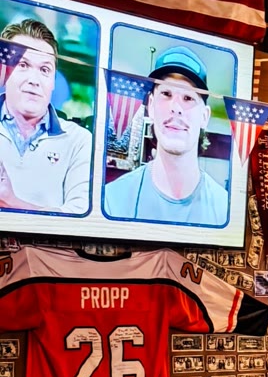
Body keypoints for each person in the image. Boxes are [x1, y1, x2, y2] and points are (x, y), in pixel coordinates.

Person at [103, 46, 229, 227]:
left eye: (188, 98)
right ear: (151, 106)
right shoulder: (113, 201)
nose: (176, 108)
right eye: (166, 94)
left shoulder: (224, 211)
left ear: (204, 116)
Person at [0, 17, 92, 215]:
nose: (34, 80)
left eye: (44, 70)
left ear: (53, 82)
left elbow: (79, 218)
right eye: (23, 65)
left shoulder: (79, 140)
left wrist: (13, 202)